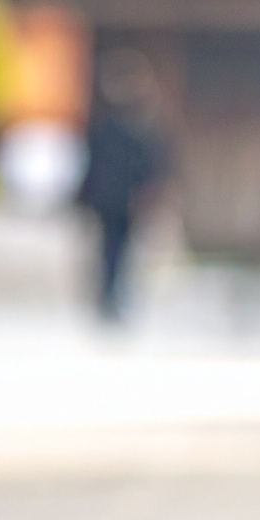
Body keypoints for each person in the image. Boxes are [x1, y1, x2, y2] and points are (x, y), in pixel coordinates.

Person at [74, 49, 166, 324]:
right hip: (113, 200)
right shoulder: (113, 128)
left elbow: (149, 167)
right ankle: (108, 297)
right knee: (111, 250)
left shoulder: (135, 128)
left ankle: (112, 297)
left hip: (122, 201)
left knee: (116, 250)